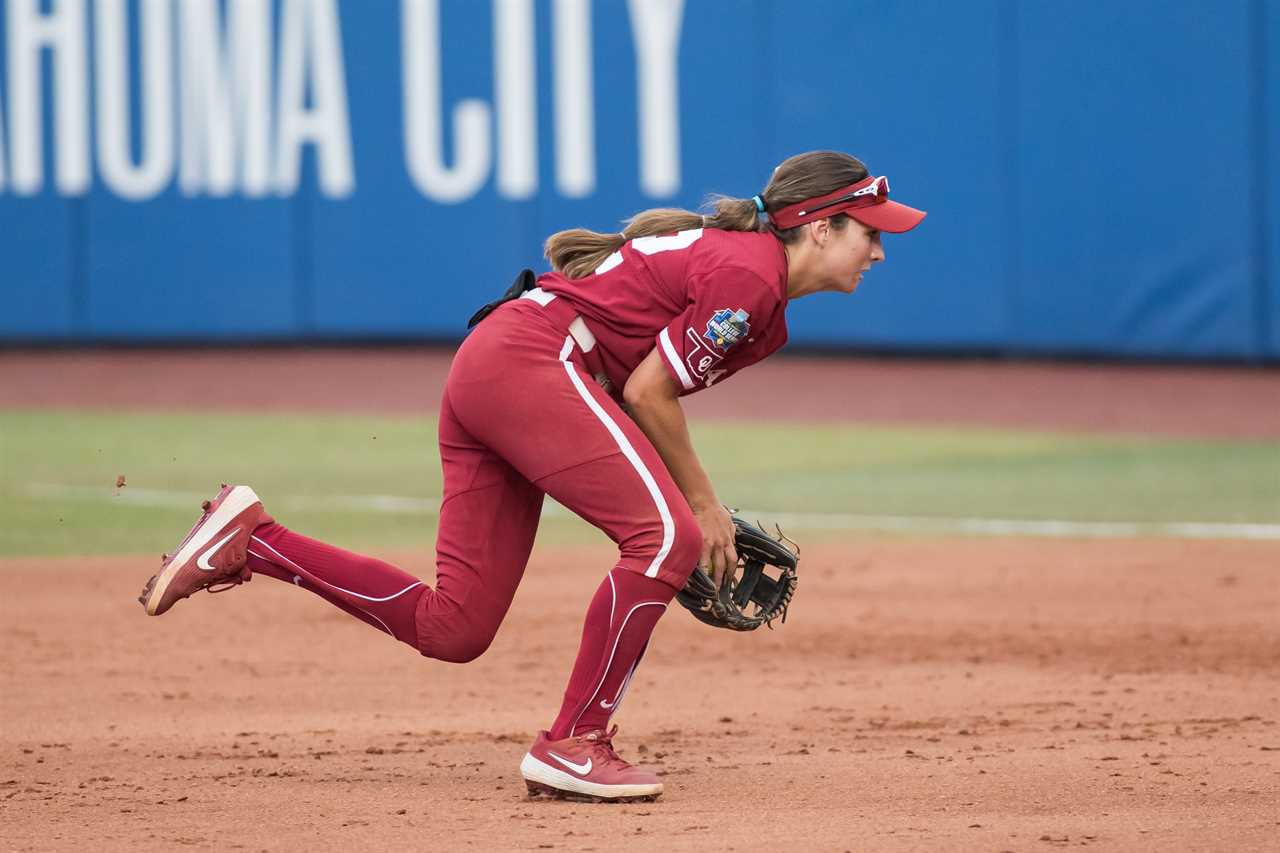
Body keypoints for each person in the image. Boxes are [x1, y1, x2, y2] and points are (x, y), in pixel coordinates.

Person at [137, 150, 925, 803]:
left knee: (456, 628)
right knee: (667, 538)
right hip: (531, 362)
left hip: (511, 370)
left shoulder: (760, 298)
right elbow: (648, 393)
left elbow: (629, 390)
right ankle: (576, 739)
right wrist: (700, 505)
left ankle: (255, 541)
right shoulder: (749, 276)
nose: (882, 251)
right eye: (870, 233)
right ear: (819, 228)